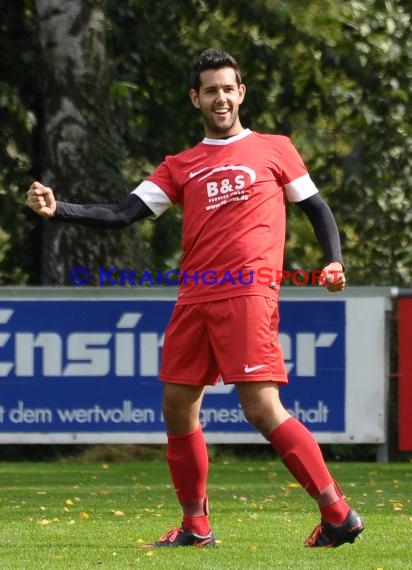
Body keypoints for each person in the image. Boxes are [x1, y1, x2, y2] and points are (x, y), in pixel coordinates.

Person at [26, 48, 364, 549]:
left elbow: (316, 207)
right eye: (211, 90)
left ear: (241, 92)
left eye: (229, 88)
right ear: (196, 98)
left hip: (248, 293)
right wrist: (60, 210)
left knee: (261, 408)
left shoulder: (274, 149)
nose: (221, 97)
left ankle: (337, 513)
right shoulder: (180, 165)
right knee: (177, 406)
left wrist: (333, 260)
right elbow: (122, 213)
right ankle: (195, 526)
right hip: (194, 299)